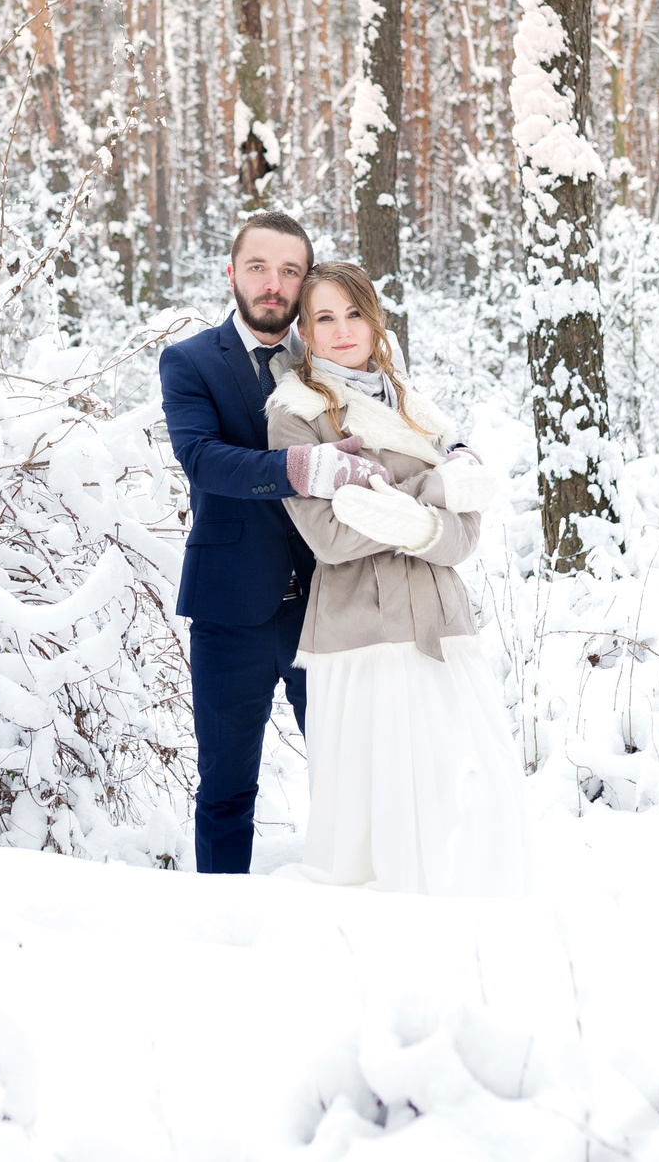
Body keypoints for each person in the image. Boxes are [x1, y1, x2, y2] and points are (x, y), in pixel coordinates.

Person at [266, 262, 532, 897]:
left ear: (376, 320)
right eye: (323, 318)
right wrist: (433, 491)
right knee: (378, 808)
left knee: (470, 790)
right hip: (364, 629)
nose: (341, 330)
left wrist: (404, 506)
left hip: (443, 623)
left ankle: (478, 938)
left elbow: (465, 535)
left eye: (354, 314)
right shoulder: (295, 414)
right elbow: (329, 537)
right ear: (304, 328)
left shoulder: (416, 408)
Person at [158, 213, 390, 874]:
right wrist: (297, 467)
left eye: (290, 270)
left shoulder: (327, 358)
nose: (273, 283)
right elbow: (202, 457)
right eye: (259, 266)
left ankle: (358, 912)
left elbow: (397, 416)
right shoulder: (192, 361)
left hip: (328, 604)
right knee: (228, 791)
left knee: (352, 779)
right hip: (231, 613)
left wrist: (451, 448)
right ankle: (221, 929)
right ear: (232, 273)